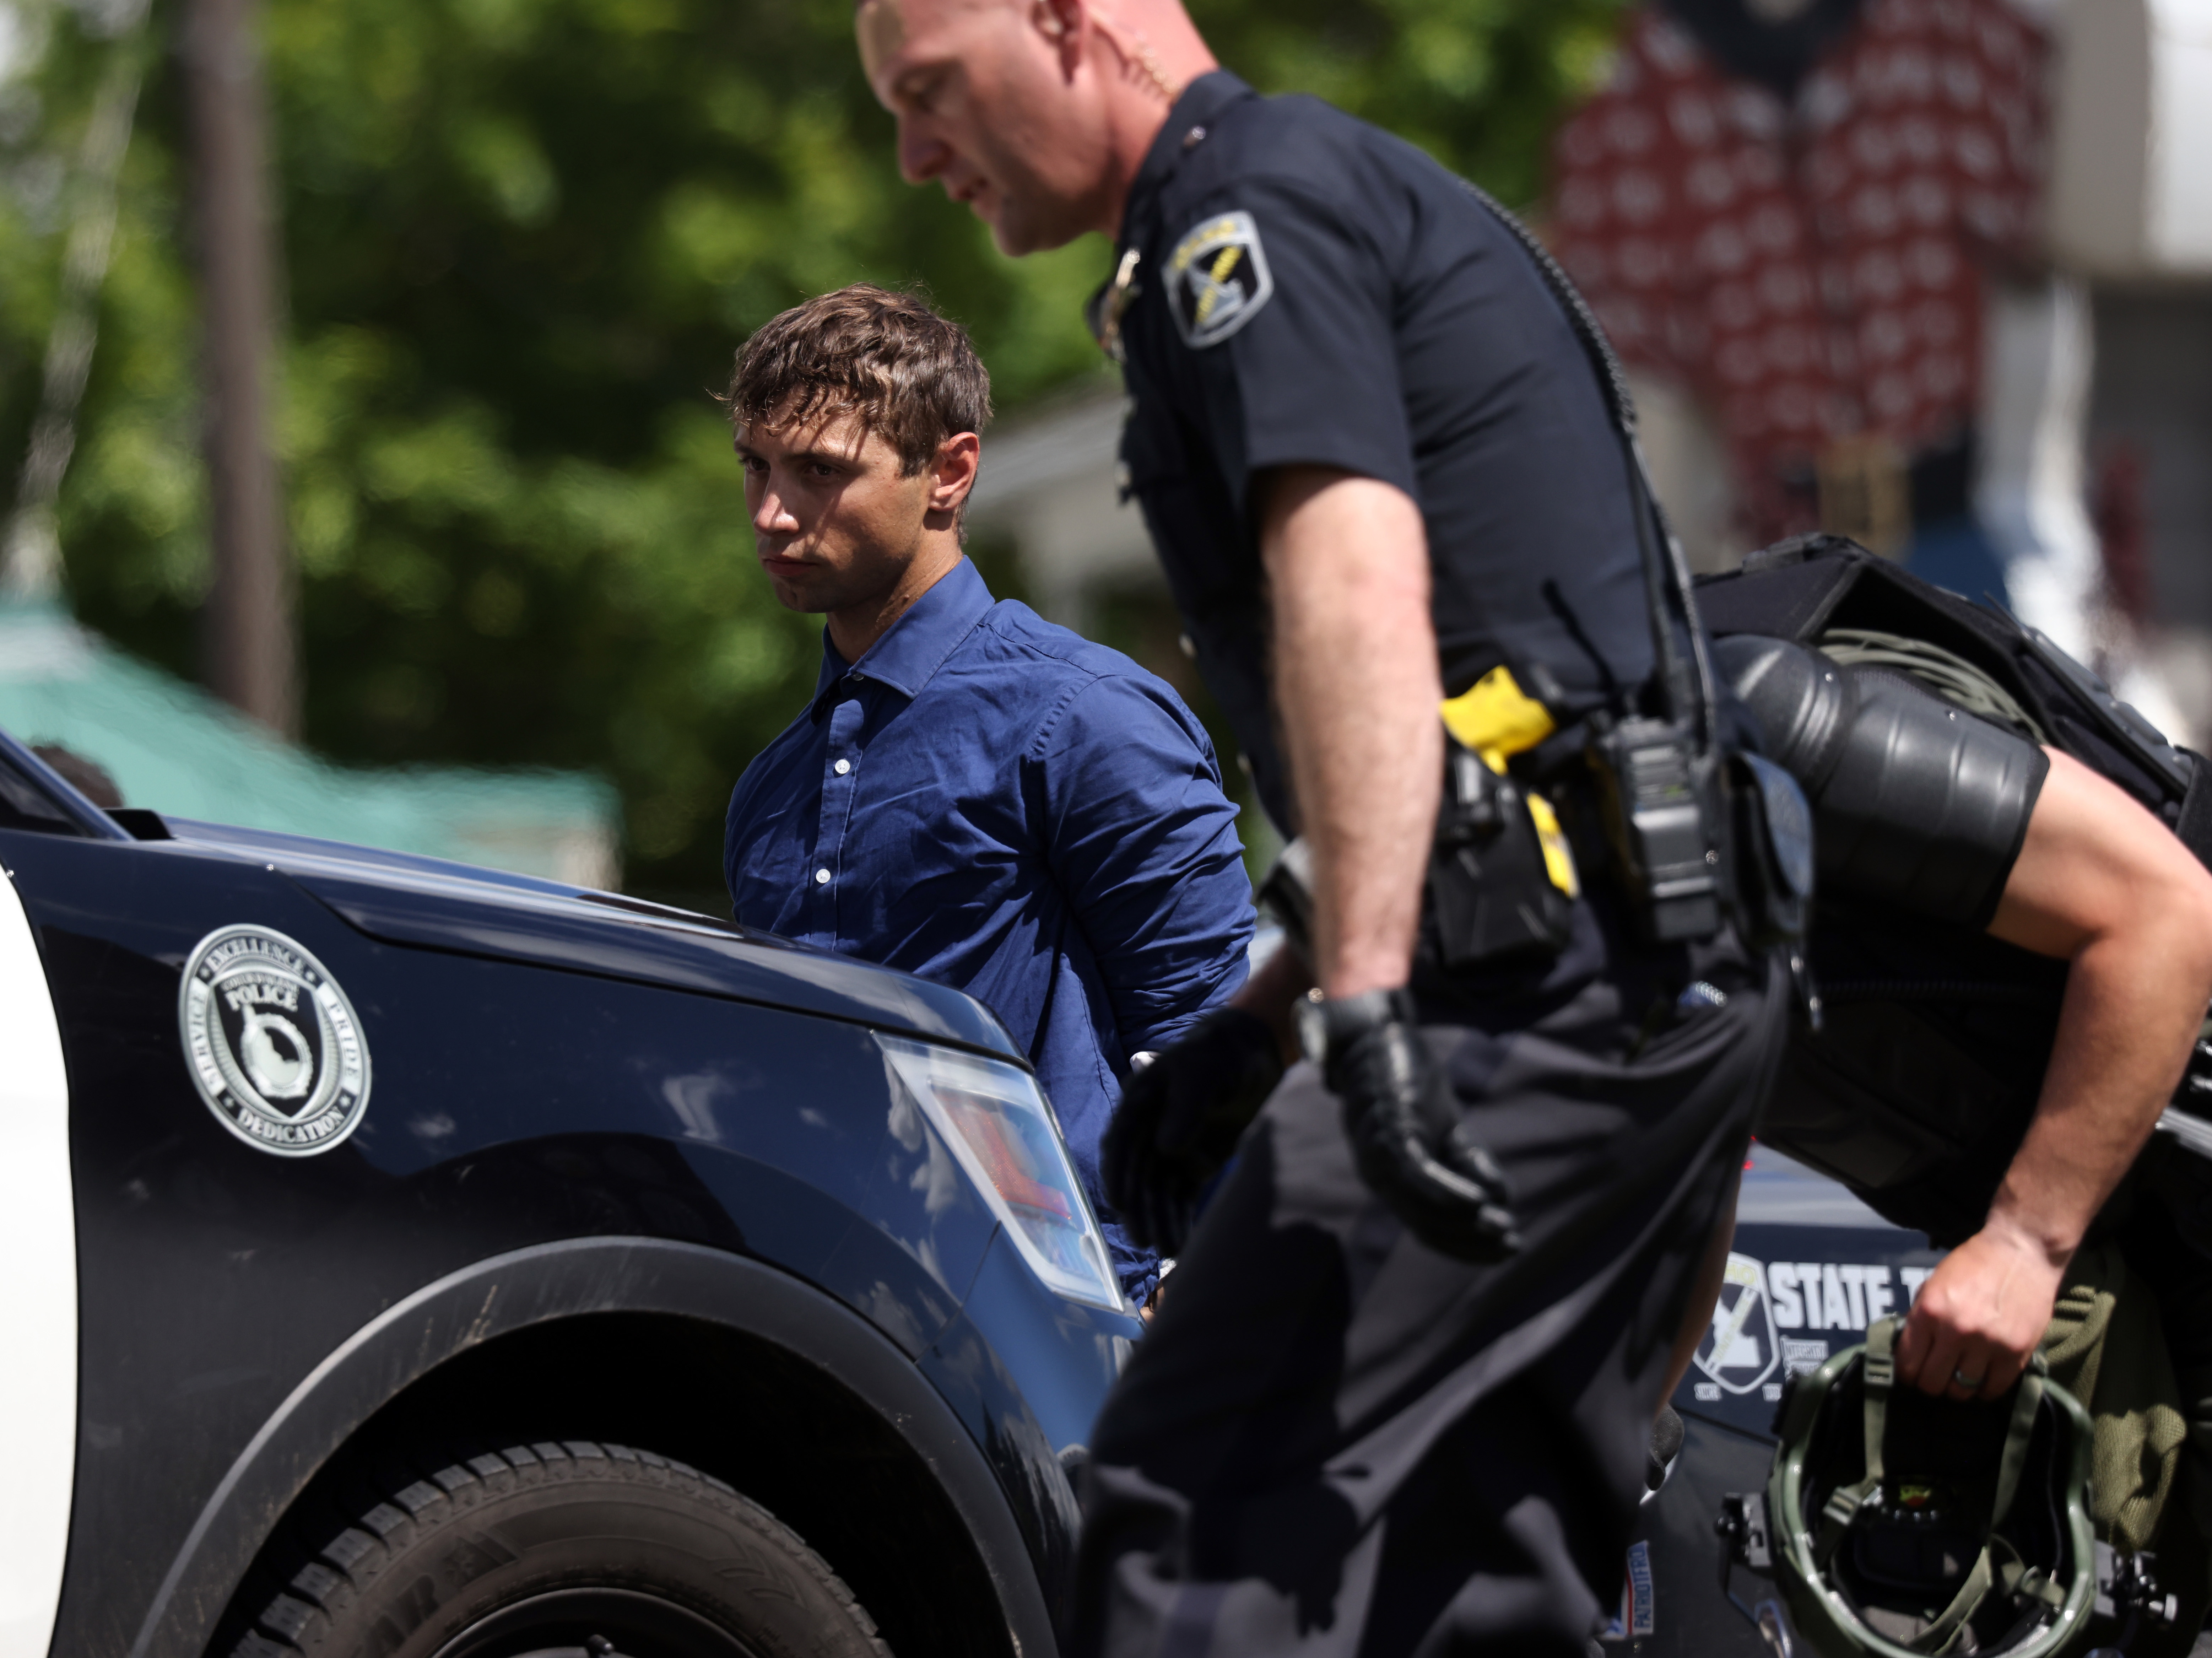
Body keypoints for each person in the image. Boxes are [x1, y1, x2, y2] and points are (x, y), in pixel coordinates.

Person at [859, 6, 1795, 1653]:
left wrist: (1357, 1007)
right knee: (1472, 1590)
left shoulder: (1247, 217)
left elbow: (1357, 579)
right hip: (1643, 974)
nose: (914, 153)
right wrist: (1265, 1013)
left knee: (1186, 1541)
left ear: (1067, 23)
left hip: (1516, 1000)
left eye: (928, 91)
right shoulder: (1308, 196)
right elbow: (1477, 707)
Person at [1700, 536, 2212, 1647]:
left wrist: (2025, 1240)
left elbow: (2170, 915)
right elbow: (1680, 1142)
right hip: (2118, 1217)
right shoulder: (1533, 858)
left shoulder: (1767, 720)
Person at [719, 283, 1254, 1310]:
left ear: (949, 474)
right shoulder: (769, 790)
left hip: (1072, 1323)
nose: (772, 512)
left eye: (821, 471)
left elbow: (1212, 1038)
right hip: (836, 1324)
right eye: (756, 465)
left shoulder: (1087, 717)